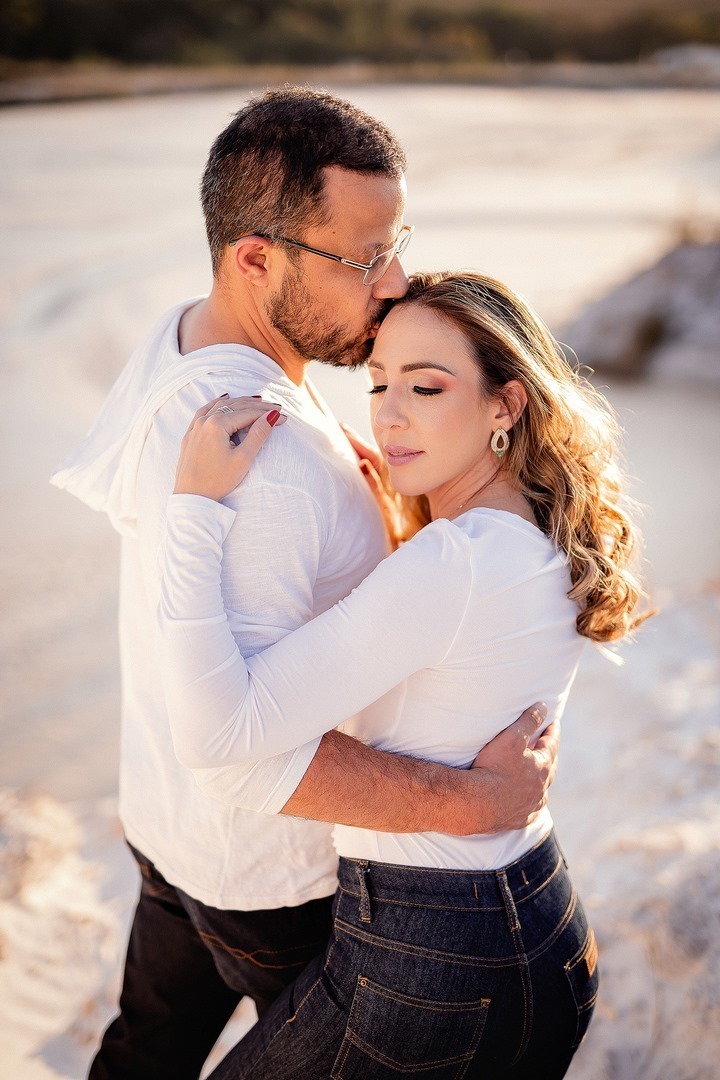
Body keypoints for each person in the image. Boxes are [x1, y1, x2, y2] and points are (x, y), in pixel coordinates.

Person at [50, 87, 557, 1080]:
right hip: (277, 881)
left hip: (165, 833)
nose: (396, 280)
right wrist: (467, 802)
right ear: (255, 259)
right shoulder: (270, 463)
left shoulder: (181, 341)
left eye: (397, 242)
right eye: (364, 258)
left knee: (142, 1053)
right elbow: (243, 756)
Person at [156, 270, 649, 1077]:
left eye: (426, 386)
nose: (388, 413)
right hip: (541, 923)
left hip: (436, 954)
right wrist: (402, 509)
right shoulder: (534, 526)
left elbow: (218, 734)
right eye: (378, 382)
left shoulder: (454, 562)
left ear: (505, 404)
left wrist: (194, 510)